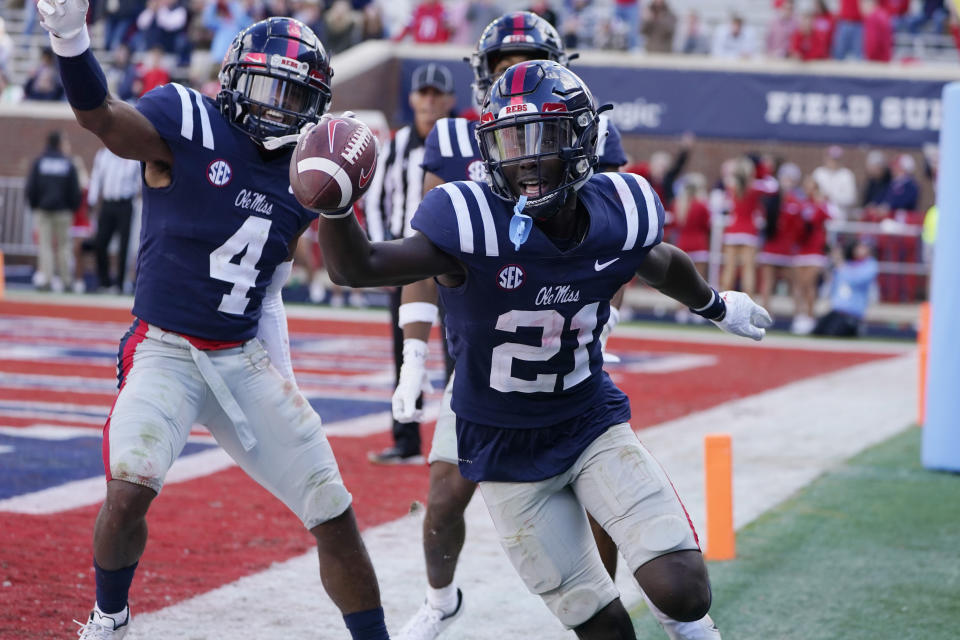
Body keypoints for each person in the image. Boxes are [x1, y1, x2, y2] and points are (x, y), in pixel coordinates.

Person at [316, 60, 771, 640]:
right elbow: (359, 266)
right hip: (501, 445)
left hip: (589, 422)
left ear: (581, 139)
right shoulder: (470, 217)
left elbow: (657, 261)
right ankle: (441, 601)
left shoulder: (619, 206)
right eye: (511, 139)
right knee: (605, 631)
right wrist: (334, 204)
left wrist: (715, 304)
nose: (526, 157)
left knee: (684, 591)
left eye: (543, 137)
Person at [35, 4, 389, 637]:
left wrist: (339, 201)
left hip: (241, 352)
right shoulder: (188, 119)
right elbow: (102, 117)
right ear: (233, 80)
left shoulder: (304, 165)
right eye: (268, 88)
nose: (280, 107)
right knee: (128, 488)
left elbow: (317, 276)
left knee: (333, 511)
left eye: (294, 95)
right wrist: (70, 38)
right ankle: (109, 618)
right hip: (164, 348)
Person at [392, 16, 707, 640]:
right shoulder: (456, 136)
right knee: (446, 492)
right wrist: (413, 353)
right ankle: (440, 600)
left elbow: (614, 237)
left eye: (529, 59)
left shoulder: (586, 134)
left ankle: (622, 595)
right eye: (504, 61)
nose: (515, 72)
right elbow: (420, 255)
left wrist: (604, 307)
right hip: (480, 353)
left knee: (601, 500)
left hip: (565, 347)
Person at [364, 62, 458, 466]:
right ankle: (406, 439)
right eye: (424, 93)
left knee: (461, 348)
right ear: (413, 98)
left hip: (455, 261)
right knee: (404, 350)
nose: (430, 100)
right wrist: (384, 252)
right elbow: (374, 197)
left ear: (451, 100)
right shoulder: (396, 144)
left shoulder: (462, 140)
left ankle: (461, 437)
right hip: (408, 258)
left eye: (438, 93)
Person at [26, 130, 82, 292]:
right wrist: (72, 207)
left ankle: (47, 280)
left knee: (45, 246)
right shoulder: (68, 163)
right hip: (64, 211)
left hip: (43, 210)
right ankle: (66, 281)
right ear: (59, 143)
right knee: (64, 246)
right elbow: (74, 189)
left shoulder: (39, 162)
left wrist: (35, 205)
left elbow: (31, 186)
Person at [87, 146, 141, 292]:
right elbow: (96, 178)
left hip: (125, 204)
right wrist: (91, 201)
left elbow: (141, 180)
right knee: (100, 242)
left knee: (124, 245)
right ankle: (104, 282)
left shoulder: (133, 155)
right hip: (108, 204)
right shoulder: (103, 155)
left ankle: (120, 284)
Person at [812, 239, 878, 337]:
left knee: (833, 333)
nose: (862, 250)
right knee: (818, 332)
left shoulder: (870, 265)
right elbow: (830, 281)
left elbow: (856, 279)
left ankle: (856, 329)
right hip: (836, 311)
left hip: (852, 313)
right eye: (859, 247)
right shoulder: (846, 264)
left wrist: (841, 265)